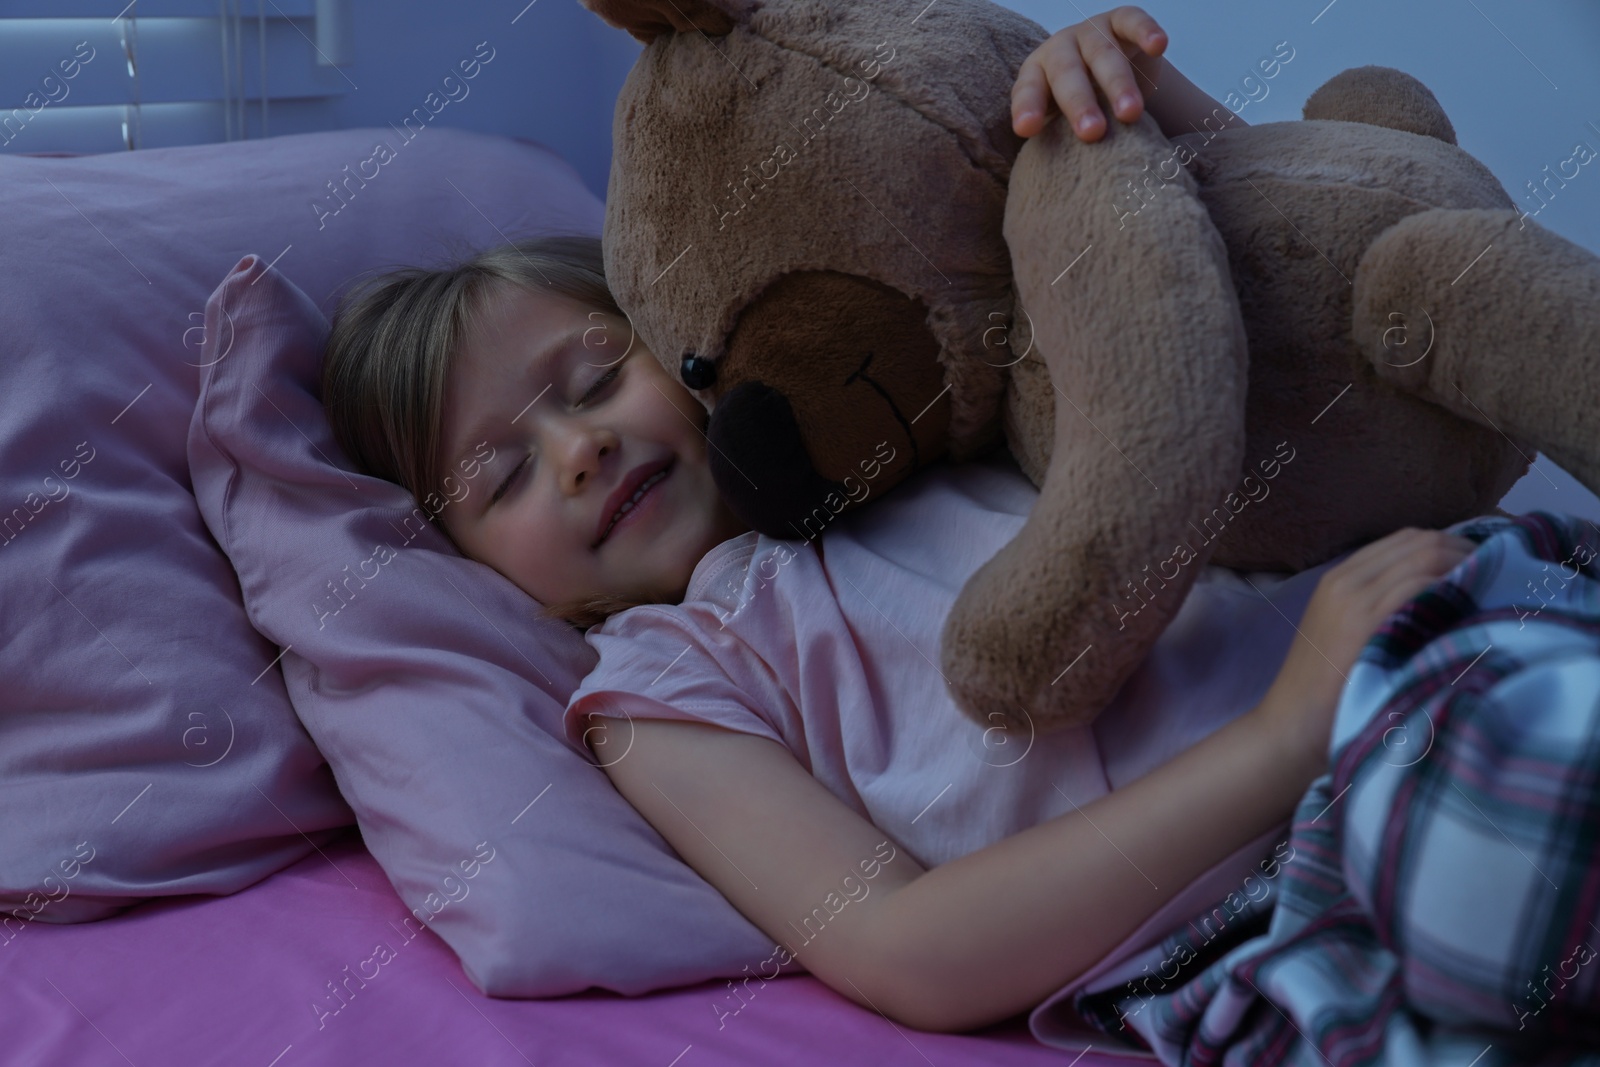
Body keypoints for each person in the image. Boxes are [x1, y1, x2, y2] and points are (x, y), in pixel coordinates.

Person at [320, 6, 1478, 1038]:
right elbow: (901, 947)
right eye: (502, 479)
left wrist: (1122, 96)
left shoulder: (922, 421)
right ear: (479, 570)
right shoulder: (663, 683)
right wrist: (1280, 738)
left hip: (1446, 636)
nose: (580, 452)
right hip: (1285, 896)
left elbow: (1254, 275)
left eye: (592, 380)